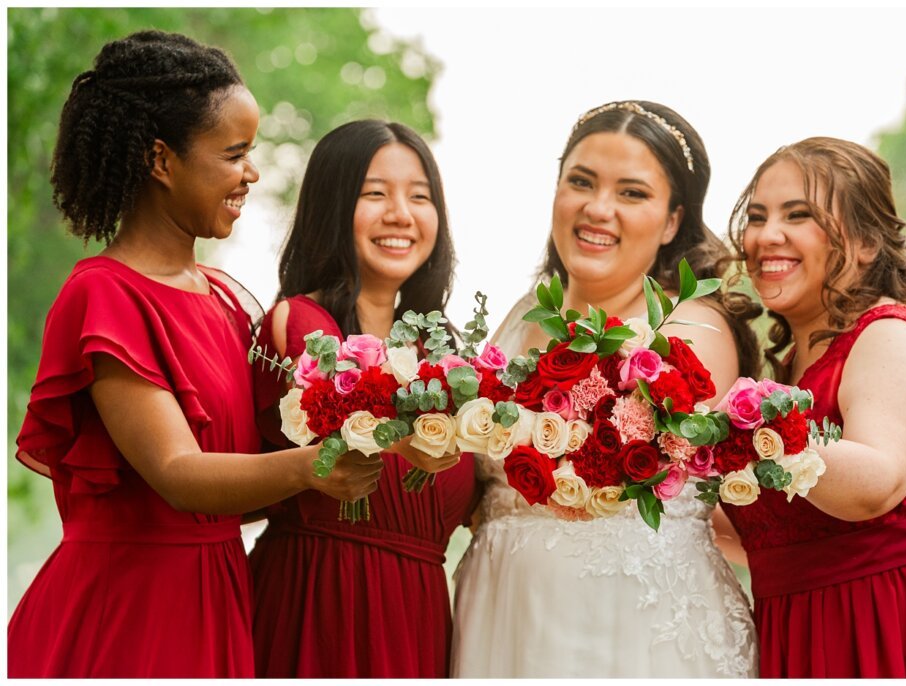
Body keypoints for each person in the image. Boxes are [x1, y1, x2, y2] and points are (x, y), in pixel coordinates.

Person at [7, 31, 383, 678]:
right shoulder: (105, 295)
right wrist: (311, 467)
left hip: (219, 594)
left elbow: (240, 485)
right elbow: (178, 472)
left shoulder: (227, 300)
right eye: (234, 153)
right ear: (161, 160)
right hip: (129, 610)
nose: (252, 172)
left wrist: (374, 432)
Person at [451, 100, 762, 678]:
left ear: (673, 220)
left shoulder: (692, 328)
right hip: (504, 618)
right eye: (581, 182)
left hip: (636, 629)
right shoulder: (521, 319)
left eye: (632, 193)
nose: (597, 209)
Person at [722, 136, 906, 678]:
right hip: (807, 630)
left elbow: (874, 484)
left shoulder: (889, 336)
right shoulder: (784, 374)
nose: (766, 235)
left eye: (798, 215)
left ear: (865, 243)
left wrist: (748, 429)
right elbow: (770, 533)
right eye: (757, 217)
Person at [248, 119, 478, 678]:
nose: (401, 213)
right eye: (375, 193)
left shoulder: (444, 358)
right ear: (332, 205)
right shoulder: (300, 326)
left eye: (419, 196)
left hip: (418, 616)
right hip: (320, 599)